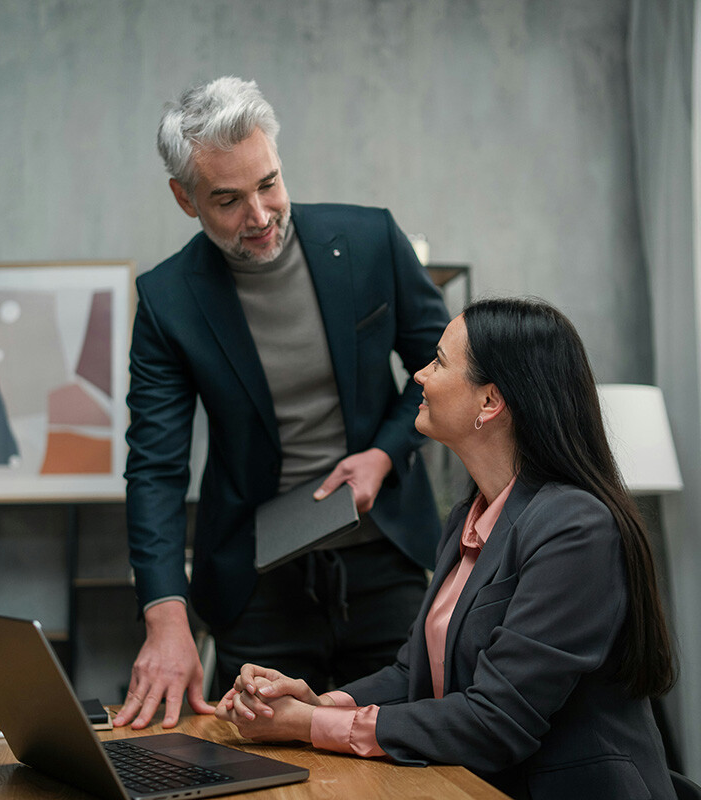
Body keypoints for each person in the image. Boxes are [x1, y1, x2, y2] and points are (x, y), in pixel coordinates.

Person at [216, 297, 678, 800]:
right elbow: (413, 672)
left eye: (437, 361)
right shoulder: (470, 515)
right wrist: (320, 703)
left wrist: (307, 725)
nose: (418, 375)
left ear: (489, 403)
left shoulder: (576, 527)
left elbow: (495, 721)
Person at [114, 76, 450, 730]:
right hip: (255, 580)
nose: (261, 216)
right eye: (228, 199)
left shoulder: (371, 239)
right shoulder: (167, 301)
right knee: (260, 763)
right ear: (185, 199)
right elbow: (155, 467)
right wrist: (165, 615)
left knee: (409, 752)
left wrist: (383, 452)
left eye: (268, 183)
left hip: (386, 556)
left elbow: (441, 368)